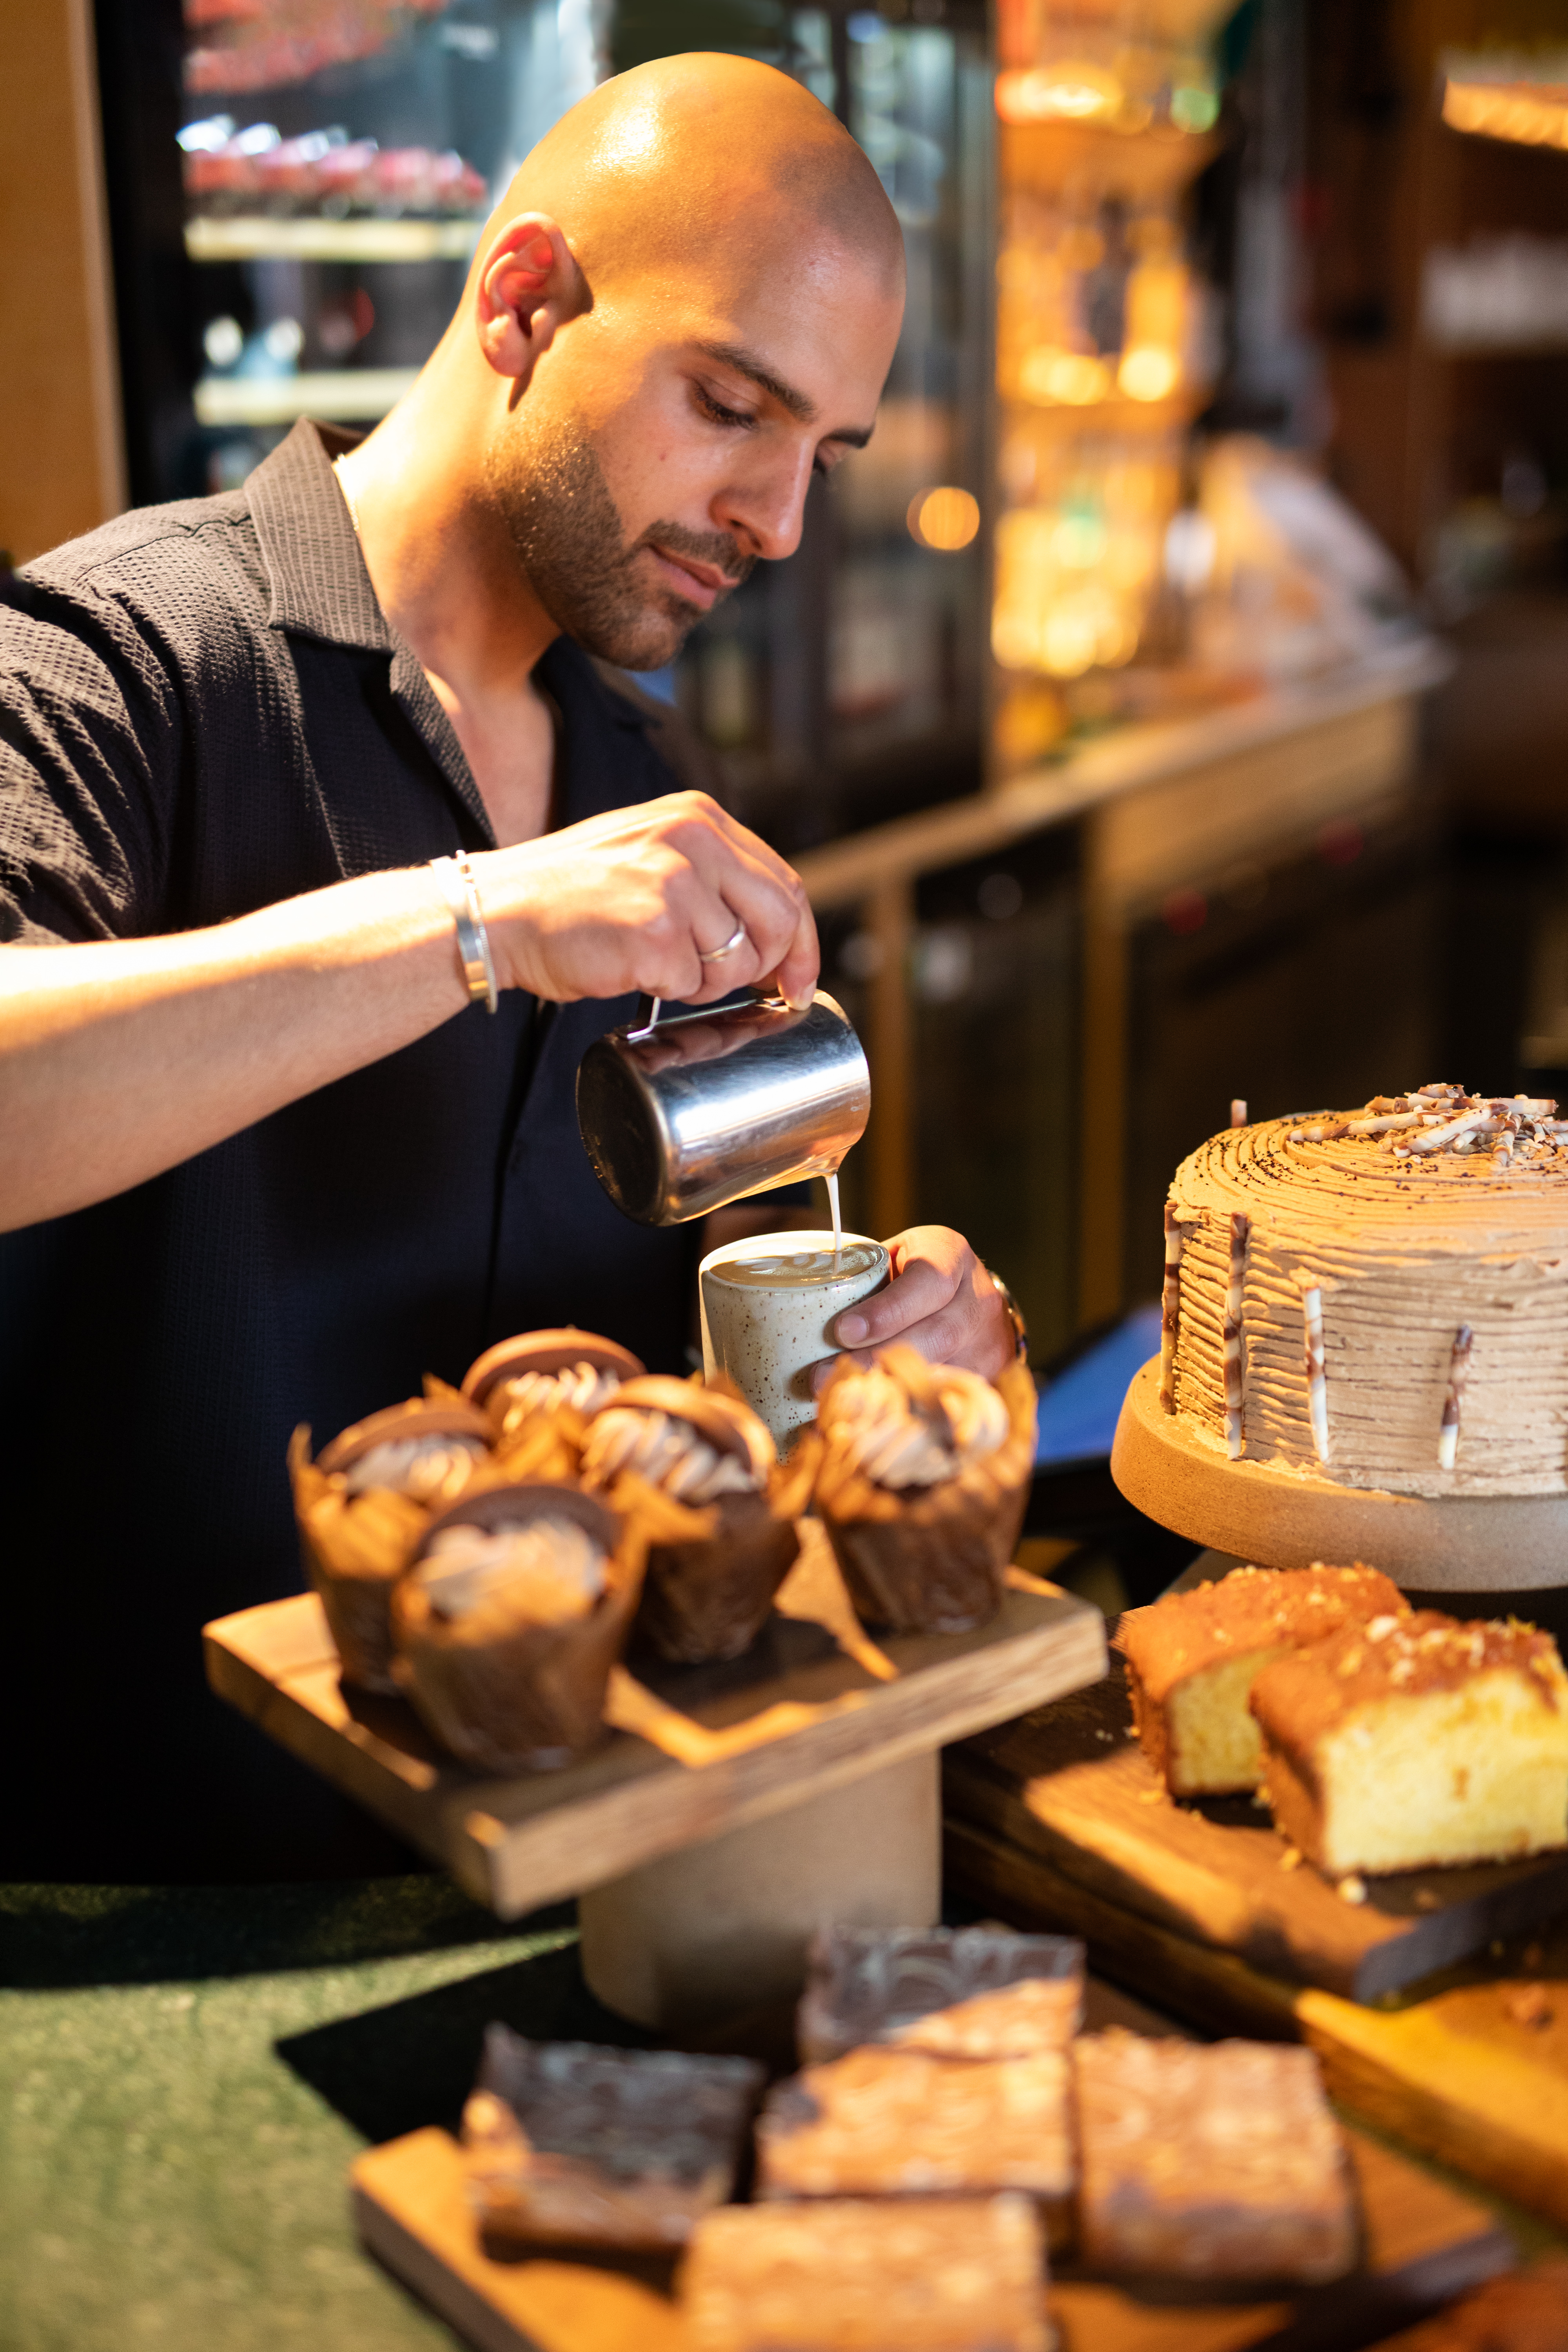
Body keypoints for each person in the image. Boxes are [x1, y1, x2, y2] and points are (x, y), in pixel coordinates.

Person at [0, 54, 1018, 1880]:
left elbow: (699, 1390)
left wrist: (891, 1353)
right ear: (525, 299)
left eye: (822, 453)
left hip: (581, 1863)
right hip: (141, 1902)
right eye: (731, 406)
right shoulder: (116, 657)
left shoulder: (642, 788)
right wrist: (476, 918)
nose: (779, 520)